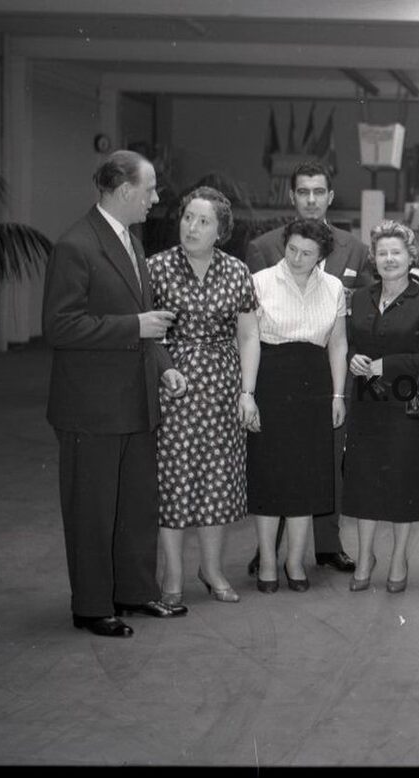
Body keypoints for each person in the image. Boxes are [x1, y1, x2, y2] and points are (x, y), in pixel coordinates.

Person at [43, 150, 189, 638]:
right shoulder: (76, 245)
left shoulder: (131, 242)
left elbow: (144, 322)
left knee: (135, 507)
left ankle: (134, 592)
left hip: (135, 400)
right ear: (124, 190)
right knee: (93, 511)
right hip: (91, 409)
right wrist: (134, 326)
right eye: (149, 189)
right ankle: (91, 606)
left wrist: (165, 367)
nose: (155, 198)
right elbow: (60, 326)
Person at [244, 161, 372, 576]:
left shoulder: (356, 249)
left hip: (327, 373)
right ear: (292, 196)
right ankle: (269, 549)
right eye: (303, 192)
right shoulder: (263, 247)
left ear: (330, 196)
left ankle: (328, 546)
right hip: (274, 372)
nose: (312, 199)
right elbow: (248, 325)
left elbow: (365, 312)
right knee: (274, 461)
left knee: (326, 462)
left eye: (319, 192)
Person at [146, 186, 258, 605]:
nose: (192, 227)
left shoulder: (237, 272)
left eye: (203, 221)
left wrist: (248, 392)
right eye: (187, 217)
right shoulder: (155, 268)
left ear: (220, 231)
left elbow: (249, 335)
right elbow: (146, 333)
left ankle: (211, 569)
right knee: (173, 481)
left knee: (218, 481)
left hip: (222, 389)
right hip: (172, 386)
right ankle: (172, 575)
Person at [246, 218, 348, 594]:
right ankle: (267, 561)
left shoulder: (334, 287)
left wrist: (338, 395)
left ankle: (294, 561)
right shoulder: (259, 282)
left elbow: (338, 343)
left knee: (306, 478)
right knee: (270, 476)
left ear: (321, 256)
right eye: (292, 249)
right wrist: (248, 393)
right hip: (271, 383)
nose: (297, 258)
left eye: (307, 253)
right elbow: (249, 340)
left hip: (315, 388)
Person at [344, 221, 419, 594]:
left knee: (403, 483)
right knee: (364, 483)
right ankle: (364, 557)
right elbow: (350, 343)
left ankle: (399, 558)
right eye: (382, 252)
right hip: (366, 403)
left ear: (410, 256)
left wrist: (385, 365)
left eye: (396, 252)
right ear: (373, 258)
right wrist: (353, 358)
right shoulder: (359, 298)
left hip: (407, 406)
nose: (389, 259)